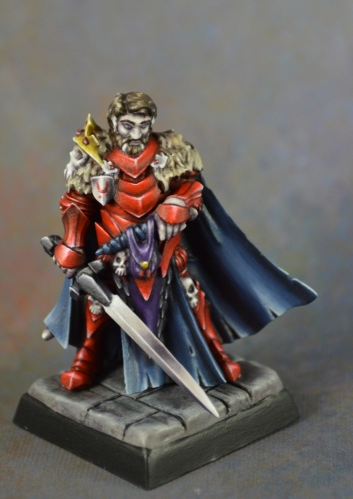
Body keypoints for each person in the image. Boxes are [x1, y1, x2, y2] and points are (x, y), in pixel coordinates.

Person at [43, 92, 317, 394]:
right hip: (112, 252)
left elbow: (193, 187)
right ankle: (88, 358)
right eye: (127, 126)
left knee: (190, 291)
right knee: (97, 301)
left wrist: (179, 203)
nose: (136, 134)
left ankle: (214, 351)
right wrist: (72, 244)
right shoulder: (95, 156)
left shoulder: (171, 153)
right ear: (113, 123)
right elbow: (78, 201)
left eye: (143, 125)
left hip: (163, 248)